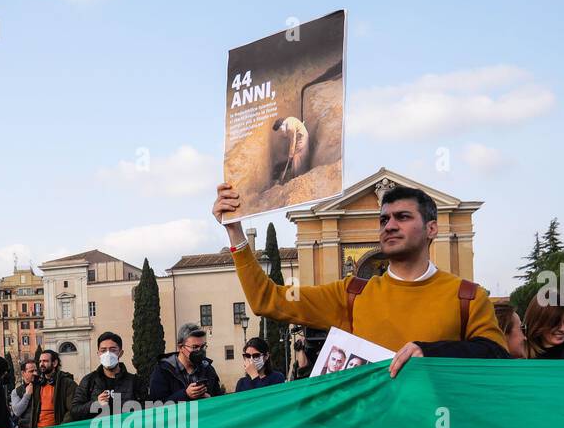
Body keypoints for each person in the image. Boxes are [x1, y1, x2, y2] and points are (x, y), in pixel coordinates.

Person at [213, 183, 508, 377]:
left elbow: (497, 357)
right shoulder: (352, 294)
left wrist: (429, 353)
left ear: (431, 228)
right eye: (384, 220)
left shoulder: (467, 297)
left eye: (402, 217)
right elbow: (267, 299)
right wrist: (235, 233)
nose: (390, 226)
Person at [71, 332, 143, 419]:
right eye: (103, 350)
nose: (108, 354)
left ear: (120, 353)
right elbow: (74, 411)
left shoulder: (134, 381)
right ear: (98, 354)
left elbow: (146, 410)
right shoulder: (89, 380)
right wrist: (95, 404)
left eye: (113, 350)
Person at [149, 323, 225, 402]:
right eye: (194, 347)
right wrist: (185, 395)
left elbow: (219, 400)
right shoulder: (163, 371)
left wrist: (210, 399)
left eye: (202, 347)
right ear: (180, 347)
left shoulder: (208, 369)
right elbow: (157, 405)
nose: (199, 351)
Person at [28, 348, 76, 428]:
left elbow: (72, 410)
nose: (41, 364)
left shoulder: (67, 383)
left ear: (54, 363)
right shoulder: (37, 384)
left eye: (45, 361)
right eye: (40, 361)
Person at [272, 117, 309, 183]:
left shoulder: (289, 128)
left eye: (280, 129)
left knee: (296, 157)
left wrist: (291, 154)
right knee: (295, 157)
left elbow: (293, 140)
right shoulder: (288, 121)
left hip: (302, 138)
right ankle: (295, 174)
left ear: (282, 125)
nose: (281, 131)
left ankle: (295, 178)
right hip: (299, 136)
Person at [10, 358, 38, 428]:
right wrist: (27, 395)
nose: (35, 373)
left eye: (36, 370)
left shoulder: (42, 386)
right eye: (31, 371)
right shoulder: (16, 391)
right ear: (23, 373)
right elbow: (17, 412)